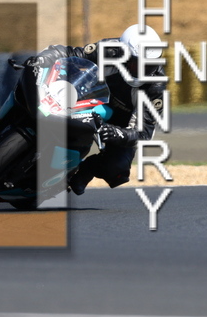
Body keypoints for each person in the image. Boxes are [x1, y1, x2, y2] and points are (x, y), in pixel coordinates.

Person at [26, 24, 166, 195]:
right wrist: (45, 58)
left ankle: (86, 170)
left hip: (121, 121)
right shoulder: (109, 50)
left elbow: (144, 132)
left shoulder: (156, 88)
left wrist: (119, 133)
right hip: (86, 96)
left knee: (118, 169)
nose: (145, 71)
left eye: (150, 65)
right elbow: (73, 53)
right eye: (139, 64)